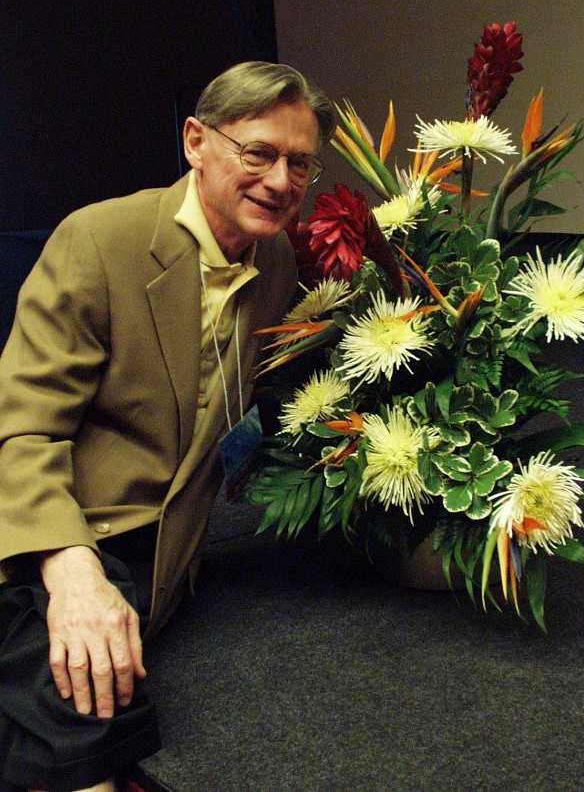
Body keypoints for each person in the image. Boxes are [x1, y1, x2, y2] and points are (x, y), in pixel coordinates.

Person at [0, 61, 336, 791]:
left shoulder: (275, 258)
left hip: (164, 556)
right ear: (195, 142)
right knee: (81, 701)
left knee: (72, 684)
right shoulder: (100, 238)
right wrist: (73, 569)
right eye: (258, 153)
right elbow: (23, 432)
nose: (281, 181)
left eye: (299, 163)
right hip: (60, 531)